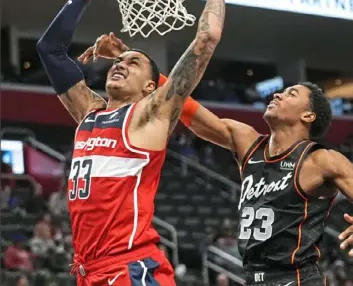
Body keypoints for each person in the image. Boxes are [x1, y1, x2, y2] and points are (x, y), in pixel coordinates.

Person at [81, 34, 353, 286]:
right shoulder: (246, 141)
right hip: (251, 277)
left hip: (297, 278)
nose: (278, 94)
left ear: (308, 116)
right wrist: (132, 60)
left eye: (291, 94)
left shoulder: (322, 160)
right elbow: (184, 107)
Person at [36, 0, 226, 285]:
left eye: (133, 62)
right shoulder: (89, 111)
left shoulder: (149, 116)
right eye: (119, 61)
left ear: (151, 86)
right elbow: (49, 49)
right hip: (88, 270)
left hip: (130, 268)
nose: (121, 63)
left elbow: (206, 39)